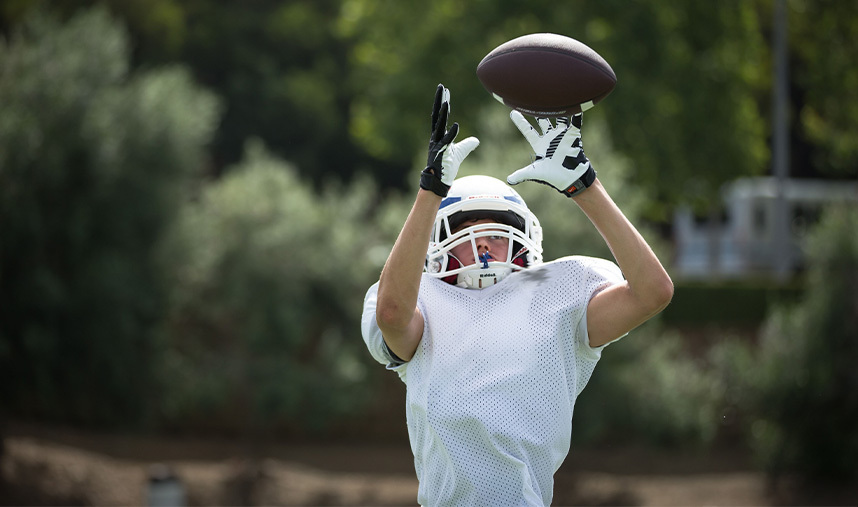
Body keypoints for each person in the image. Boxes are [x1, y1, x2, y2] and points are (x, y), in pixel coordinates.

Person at [361, 83, 673, 505]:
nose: (485, 242)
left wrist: (585, 185)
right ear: (438, 238)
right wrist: (431, 191)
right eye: (468, 228)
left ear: (525, 236)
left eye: (497, 228)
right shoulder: (422, 300)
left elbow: (653, 292)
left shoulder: (556, 290)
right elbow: (394, 314)